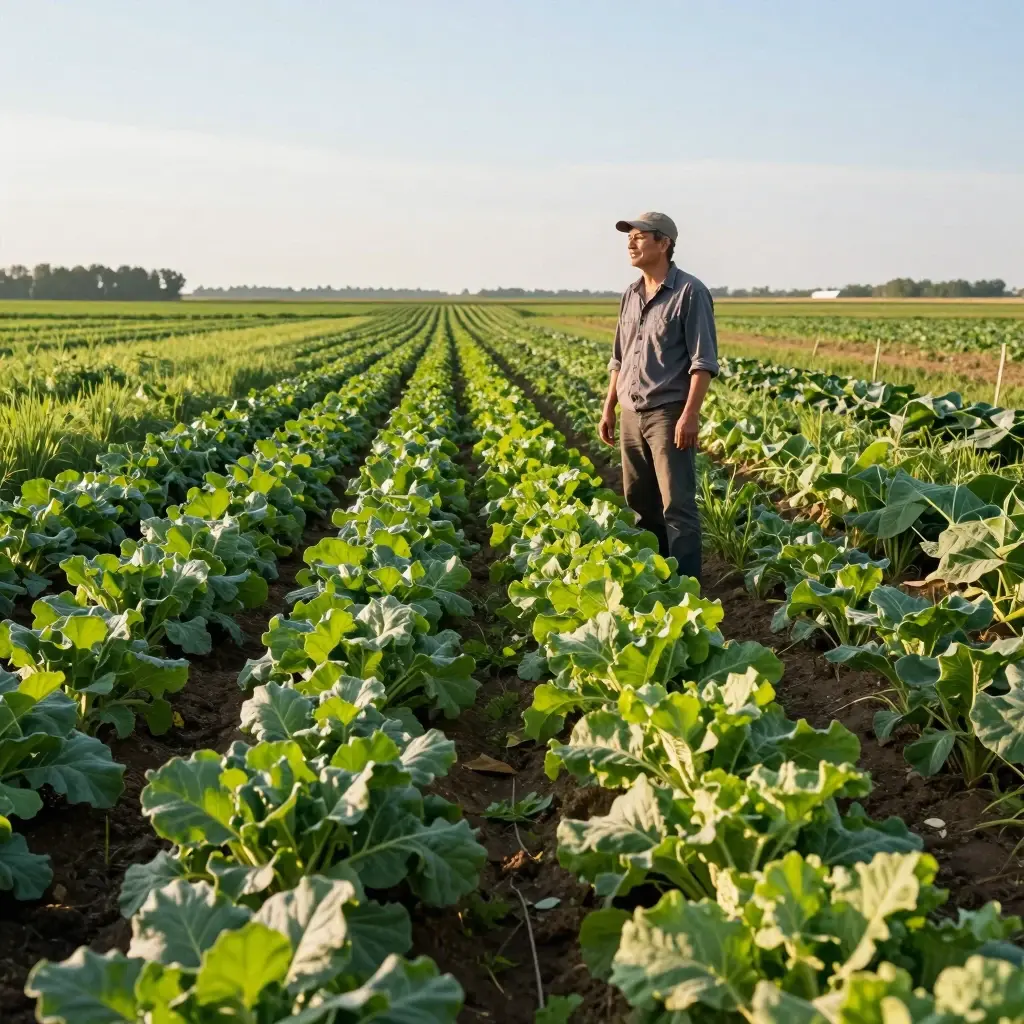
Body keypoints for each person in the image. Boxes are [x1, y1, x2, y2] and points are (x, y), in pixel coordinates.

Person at [598, 212, 719, 582]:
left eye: (639, 237)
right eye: (628, 238)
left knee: (677, 506)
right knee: (641, 505)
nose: (631, 244)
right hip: (631, 414)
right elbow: (620, 356)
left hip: (668, 414)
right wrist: (609, 408)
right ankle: (657, 580)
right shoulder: (631, 295)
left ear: (664, 242)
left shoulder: (689, 292)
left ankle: (685, 590)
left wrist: (690, 415)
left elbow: (703, 362)